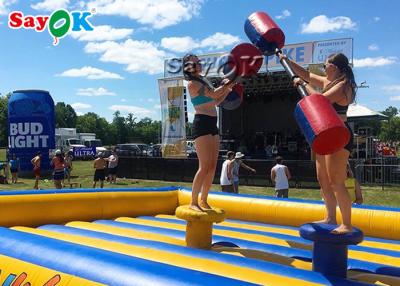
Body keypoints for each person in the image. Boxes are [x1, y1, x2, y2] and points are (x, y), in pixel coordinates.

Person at [279, 52, 357, 234]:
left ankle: (346, 224)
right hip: (323, 132)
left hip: (339, 134)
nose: (323, 69)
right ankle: (330, 216)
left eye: (325, 66)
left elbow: (321, 102)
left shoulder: (344, 85)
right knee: (323, 181)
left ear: (334, 68)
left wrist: (304, 85)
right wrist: (286, 59)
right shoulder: (328, 82)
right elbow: (306, 74)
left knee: (336, 181)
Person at [183, 53, 236, 211]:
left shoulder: (203, 80)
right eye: (195, 62)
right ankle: (193, 202)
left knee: (212, 166)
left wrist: (227, 89)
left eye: (198, 61)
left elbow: (216, 101)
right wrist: (226, 85)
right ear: (188, 67)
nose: (199, 64)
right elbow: (213, 94)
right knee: (204, 166)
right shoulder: (192, 83)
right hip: (202, 124)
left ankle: (204, 200)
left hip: (213, 124)